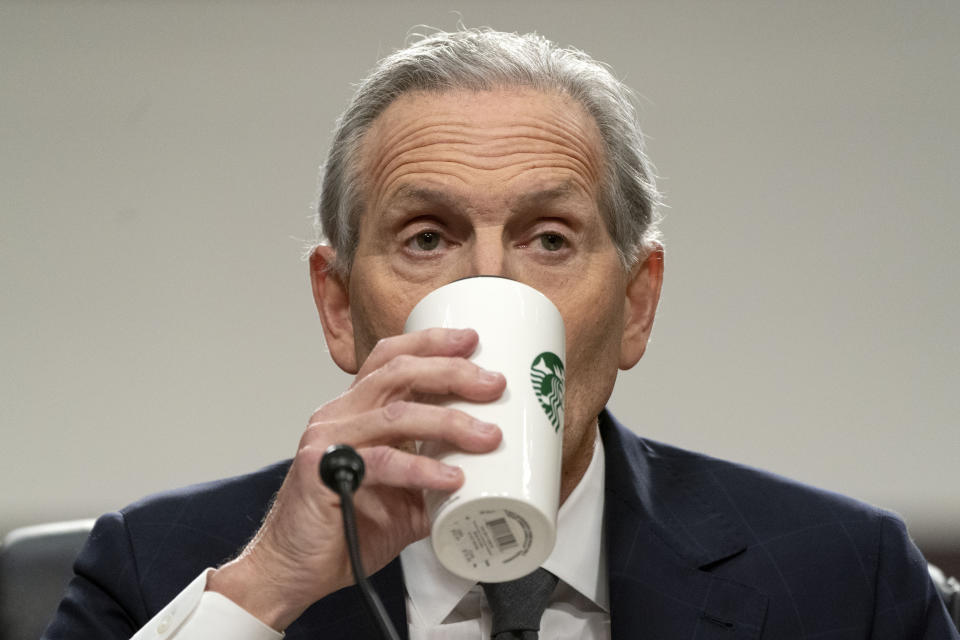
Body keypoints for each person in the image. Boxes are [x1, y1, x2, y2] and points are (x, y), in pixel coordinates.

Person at [43, 28, 957, 640]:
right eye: (427, 237)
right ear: (337, 307)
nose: (488, 283)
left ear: (637, 304)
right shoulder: (157, 569)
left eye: (550, 238)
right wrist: (267, 590)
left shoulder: (847, 581)